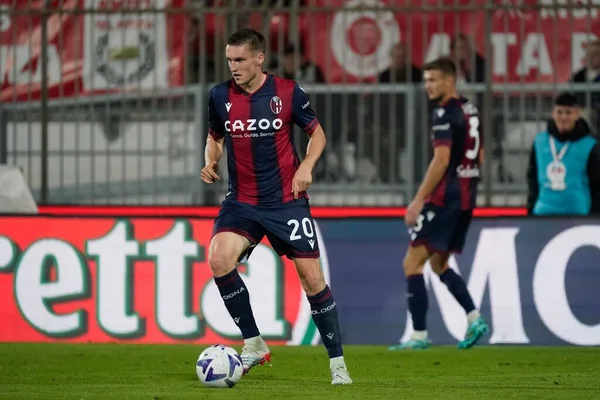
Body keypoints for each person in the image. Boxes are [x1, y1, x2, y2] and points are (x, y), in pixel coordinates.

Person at [200, 28, 352, 385]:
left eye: (239, 60)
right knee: (219, 258)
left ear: (259, 58)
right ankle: (253, 343)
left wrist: (306, 166)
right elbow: (214, 138)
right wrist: (211, 161)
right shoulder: (219, 95)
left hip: (286, 202)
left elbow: (318, 134)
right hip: (242, 201)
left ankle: (338, 364)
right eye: (229, 60)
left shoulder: (288, 92)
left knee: (312, 279)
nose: (233, 67)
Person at [389, 57, 489, 351]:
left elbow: (441, 159)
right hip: (467, 198)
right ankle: (475, 318)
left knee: (412, 262)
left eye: (433, 80)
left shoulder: (444, 112)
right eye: (426, 80)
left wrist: (418, 200)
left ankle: (418, 336)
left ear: (450, 80)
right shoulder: (471, 108)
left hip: (445, 198)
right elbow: (480, 156)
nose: (427, 86)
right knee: (439, 263)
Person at [526, 92, 600, 216]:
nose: (563, 117)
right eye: (559, 112)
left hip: (578, 215)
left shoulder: (590, 145)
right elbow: (532, 180)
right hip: (543, 214)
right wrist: (530, 210)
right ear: (553, 114)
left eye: (568, 112)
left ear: (577, 114)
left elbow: (597, 185)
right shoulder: (540, 142)